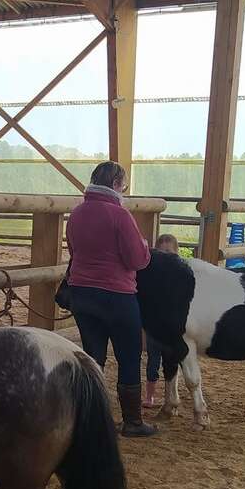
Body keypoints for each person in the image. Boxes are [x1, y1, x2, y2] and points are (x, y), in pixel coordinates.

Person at [66, 161, 155, 437]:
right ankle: (132, 422)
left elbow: (73, 250)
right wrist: (144, 249)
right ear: (116, 184)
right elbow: (137, 259)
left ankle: (90, 417)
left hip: (81, 292)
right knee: (128, 356)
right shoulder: (121, 216)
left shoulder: (77, 213)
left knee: (93, 355)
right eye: (123, 185)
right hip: (117, 295)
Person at [143, 233, 180, 408]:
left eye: (169, 253)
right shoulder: (152, 275)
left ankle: (170, 394)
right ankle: (150, 396)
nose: (165, 257)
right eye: (161, 253)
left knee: (172, 362)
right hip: (154, 328)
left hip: (172, 328)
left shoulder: (180, 276)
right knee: (152, 362)